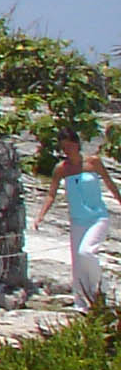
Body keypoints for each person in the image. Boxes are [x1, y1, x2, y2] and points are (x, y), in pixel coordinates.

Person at [32, 130, 112, 310]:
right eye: (63, 147)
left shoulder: (93, 162)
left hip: (97, 217)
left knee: (87, 252)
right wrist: (40, 216)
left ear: (77, 143)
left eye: (69, 145)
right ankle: (82, 303)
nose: (66, 150)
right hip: (77, 220)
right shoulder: (62, 168)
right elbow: (51, 194)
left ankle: (100, 290)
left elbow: (109, 182)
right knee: (77, 263)